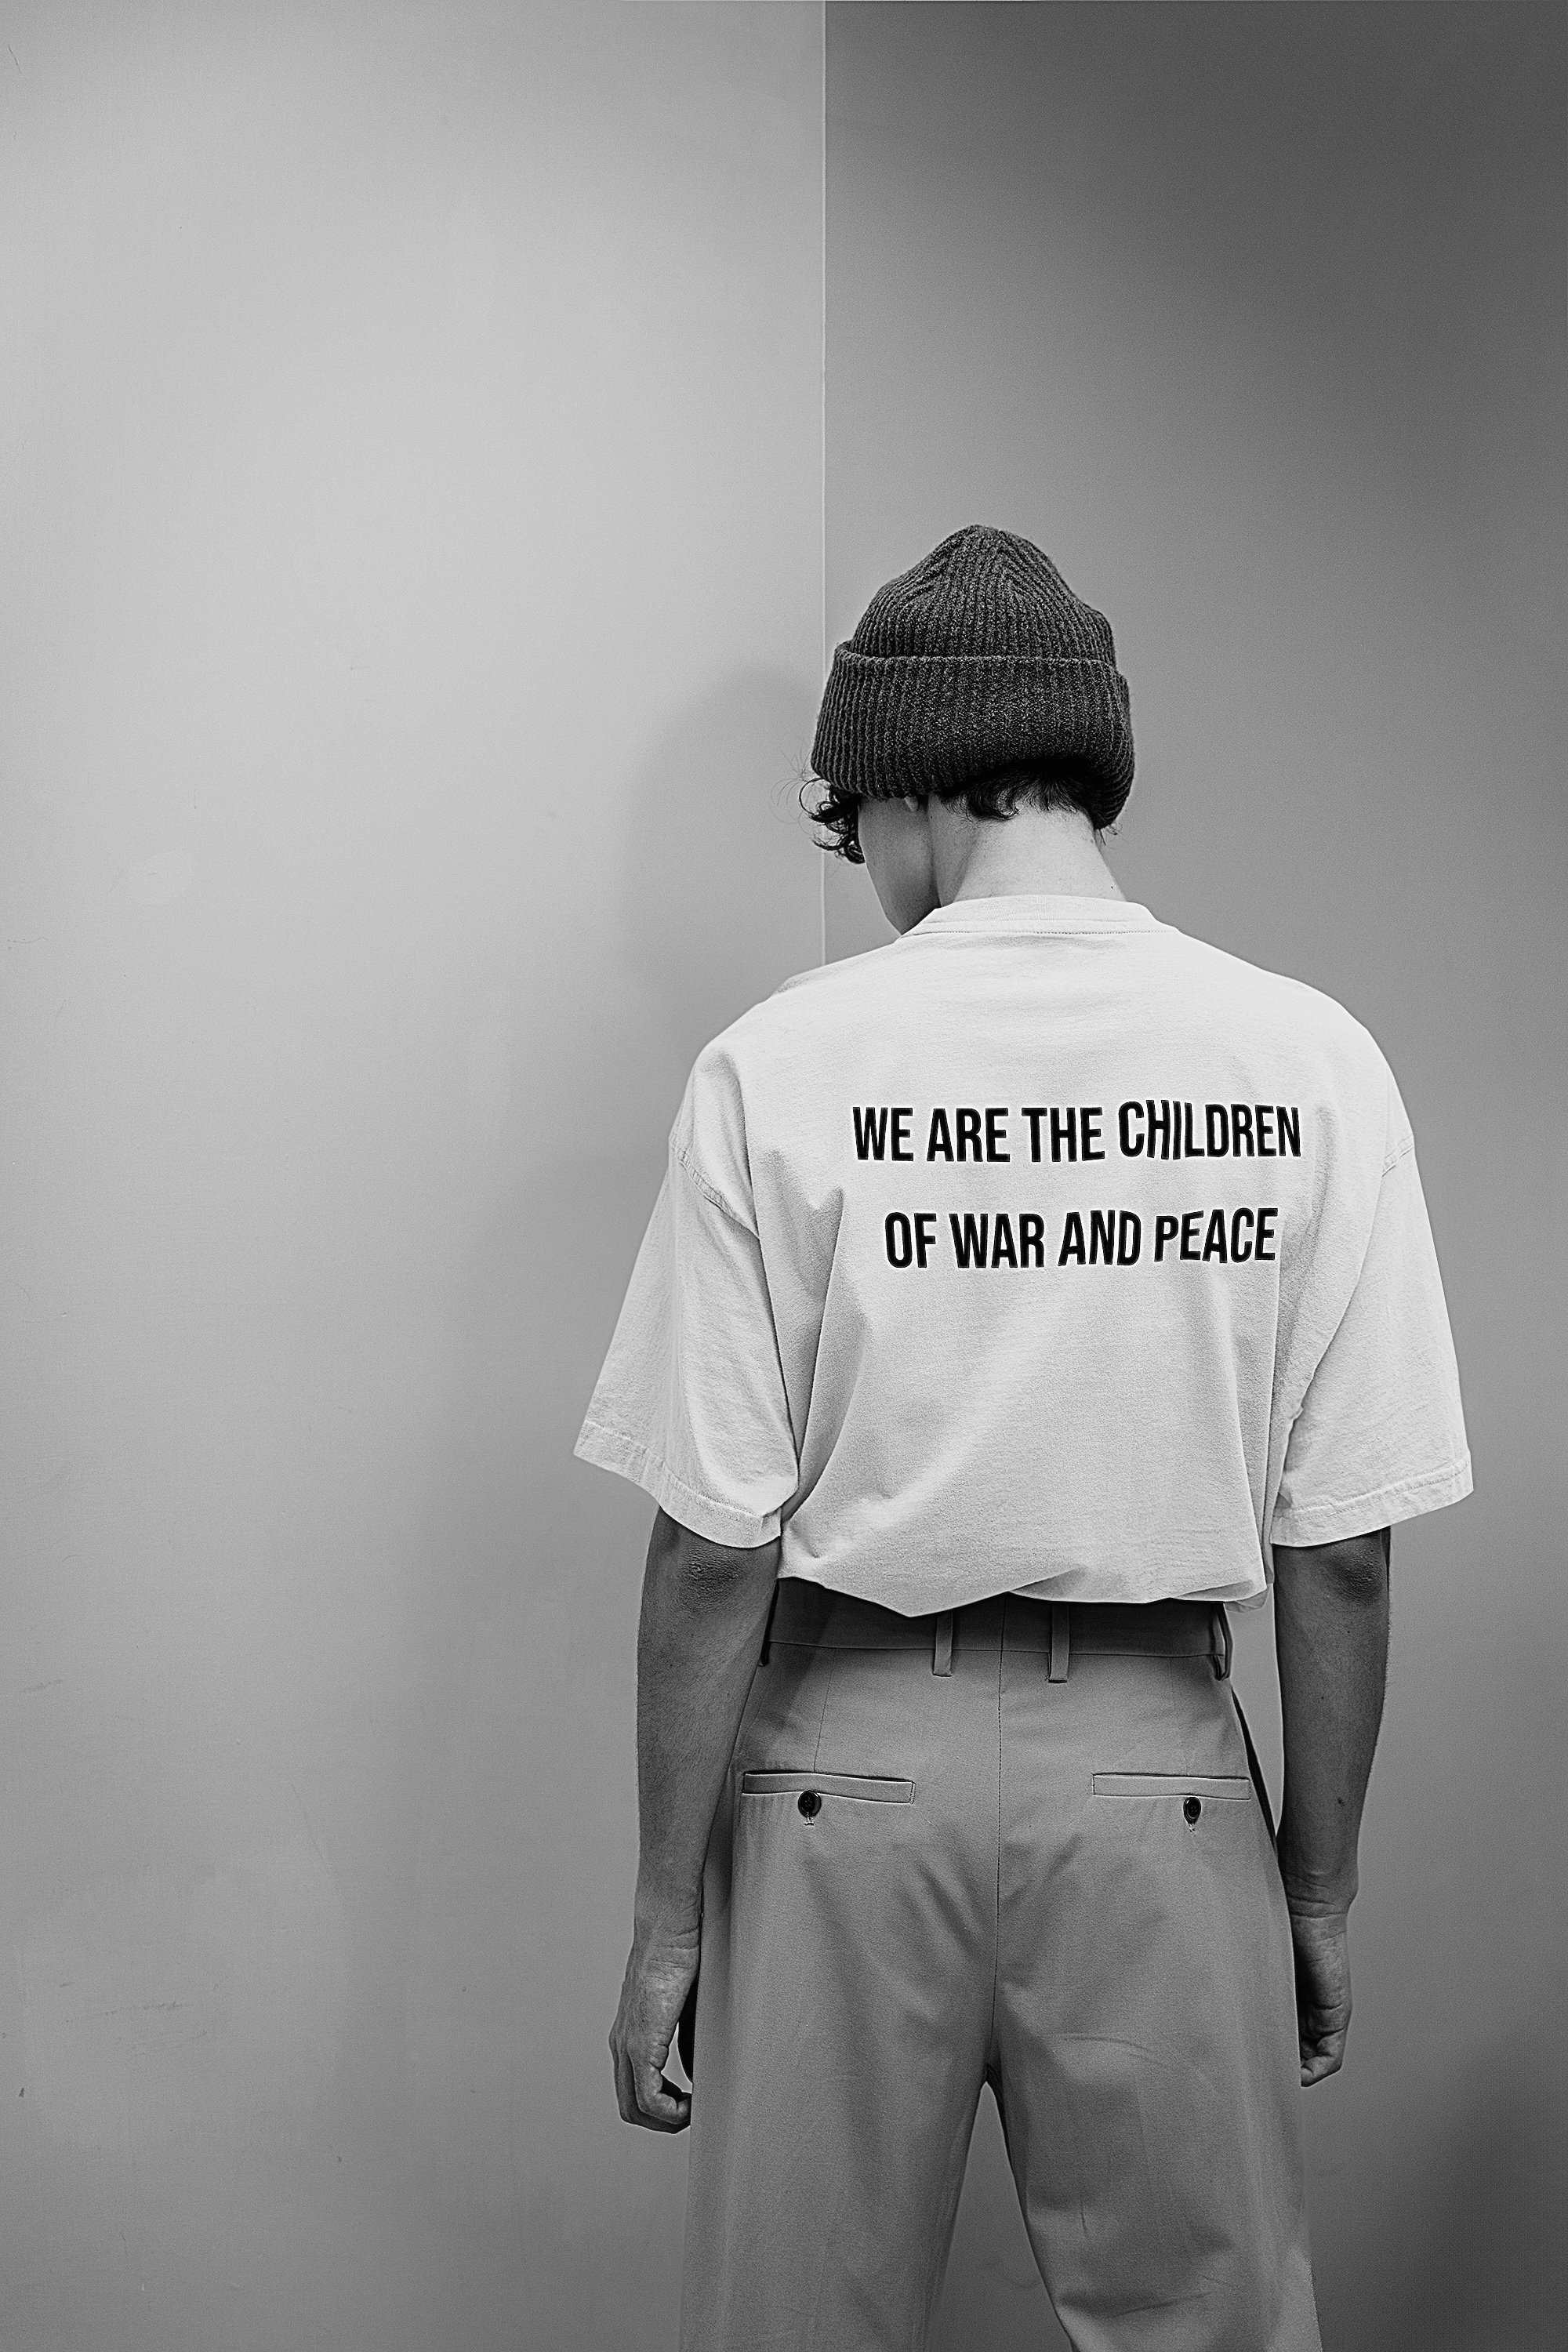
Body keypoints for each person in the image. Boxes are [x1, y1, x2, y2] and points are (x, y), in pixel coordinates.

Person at [574, 524, 1472, 2350]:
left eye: (851, 827)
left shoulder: (777, 1067)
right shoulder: (1308, 1061)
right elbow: (1345, 1553)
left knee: (794, 2327)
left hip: (837, 1775)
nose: (865, 874)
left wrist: (666, 1921)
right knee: (1210, 2327)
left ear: (913, 782)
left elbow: (711, 1553)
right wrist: (1313, 1888)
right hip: (1158, 1786)